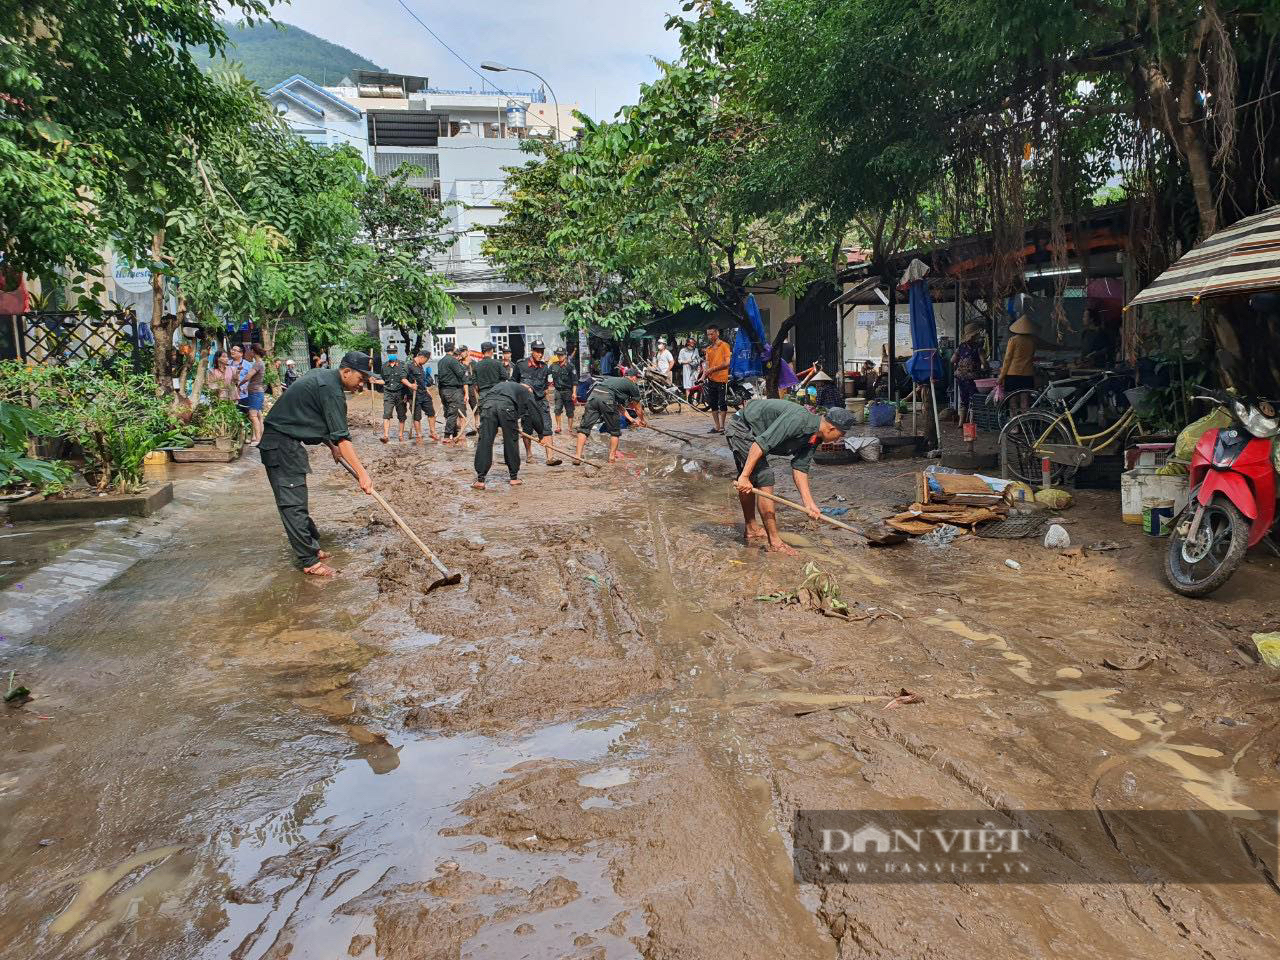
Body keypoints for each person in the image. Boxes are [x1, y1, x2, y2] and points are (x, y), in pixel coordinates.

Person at [259, 351, 374, 577]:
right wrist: (363, 474)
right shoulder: (331, 390)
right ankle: (309, 561)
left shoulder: (322, 376)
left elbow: (310, 412)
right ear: (346, 372)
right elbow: (343, 438)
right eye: (361, 378)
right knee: (292, 504)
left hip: (286, 442)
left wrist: (330, 445)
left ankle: (312, 546)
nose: (362, 384)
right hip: (280, 446)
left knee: (297, 500)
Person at [726, 400, 857, 555]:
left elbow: (800, 468)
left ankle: (751, 528)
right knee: (764, 477)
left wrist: (809, 504)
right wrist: (745, 476)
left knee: (753, 479)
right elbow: (759, 446)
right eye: (841, 435)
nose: (839, 439)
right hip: (742, 428)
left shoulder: (815, 436)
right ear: (831, 428)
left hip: (754, 433)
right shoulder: (799, 420)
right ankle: (774, 542)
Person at [473, 381, 555, 490]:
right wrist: (541, 434)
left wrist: (489, 424)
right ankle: (514, 478)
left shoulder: (502, 385)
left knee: (485, 441)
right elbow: (534, 413)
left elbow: (485, 402)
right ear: (529, 389)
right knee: (510, 441)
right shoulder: (526, 391)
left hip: (487, 407)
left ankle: (480, 480)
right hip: (506, 408)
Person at [575, 372, 647, 464]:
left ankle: (577, 456)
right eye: (637, 378)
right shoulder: (632, 385)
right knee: (615, 432)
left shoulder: (615, 381)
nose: (637, 380)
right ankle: (611, 458)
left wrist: (631, 419)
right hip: (607, 399)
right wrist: (642, 420)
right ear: (633, 378)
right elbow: (638, 408)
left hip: (593, 397)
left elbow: (619, 406)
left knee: (584, 429)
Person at [514, 339, 561, 466]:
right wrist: (522, 386)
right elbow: (513, 383)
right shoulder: (521, 365)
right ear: (532, 351)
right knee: (527, 430)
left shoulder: (545, 367)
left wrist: (545, 395)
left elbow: (546, 386)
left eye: (542, 351)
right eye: (538, 351)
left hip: (541, 403)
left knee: (547, 429)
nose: (540, 354)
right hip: (527, 404)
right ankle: (529, 455)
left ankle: (550, 458)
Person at [998, 313, 1037, 413]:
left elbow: (1007, 360)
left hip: (1013, 375)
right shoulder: (1032, 341)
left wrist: (1001, 376)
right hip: (1027, 375)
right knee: (1025, 402)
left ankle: (1015, 426)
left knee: (1013, 401)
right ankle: (1025, 424)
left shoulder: (1013, 340)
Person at [375, 347, 414, 443]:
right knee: (386, 414)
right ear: (387, 353)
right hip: (388, 393)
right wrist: (375, 381)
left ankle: (400, 436)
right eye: (390, 352)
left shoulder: (403, 365)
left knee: (401, 415)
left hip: (400, 393)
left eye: (393, 352)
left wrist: (407, 394)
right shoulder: (384, 366)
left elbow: (406, 380)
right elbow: (384, 380)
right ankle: (386, 436)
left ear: (396, 352)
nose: (391, 353)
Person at [952, 322, 988, 422]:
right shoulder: (978, 347)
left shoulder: (960, 347)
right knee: (974, 398)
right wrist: (985, 367)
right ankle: (973, 421)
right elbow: (984, 363)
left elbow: (952, 360)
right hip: (972, 377)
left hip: (960, 376)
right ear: (975, 335)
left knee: (963, 398)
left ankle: (961, 422)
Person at [437, 344, 469, 443]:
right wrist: (465, 370)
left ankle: (454, 433)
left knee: (448, 411)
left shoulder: (441, 361)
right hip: (452, 390)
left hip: (443, 390)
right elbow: (460, 374)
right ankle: (447, 435)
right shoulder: (453, 360)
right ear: (453, 349)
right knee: (453, 412)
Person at [703, 325, 732, 433]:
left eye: (712, 334)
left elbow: (727, 363)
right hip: (711, 379)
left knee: (722, 402)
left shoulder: (724, 345)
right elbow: (707, 363)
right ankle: (717, 426)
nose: (710, 336)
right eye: (708, 334)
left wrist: (713, 369)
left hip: (721, 379)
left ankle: (723, 426)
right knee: (713, 403)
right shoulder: (709, 349)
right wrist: (703, 375)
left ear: (717, 333)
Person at [407, 348, 440, 443]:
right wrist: (408, 389)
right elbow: (403, 379)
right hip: (414, 395)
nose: (426, 362)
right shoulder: (409, 366)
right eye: (426, 360)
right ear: (422, 357)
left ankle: (433, 432)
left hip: (424, 393)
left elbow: (422, 380)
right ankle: (419, 434)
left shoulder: (421, 366)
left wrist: (427, 389)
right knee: (417, 416)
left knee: (431, 413)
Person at [243, 343, 267, 445]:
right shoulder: (260, 362)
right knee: (258, 415)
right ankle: (260, 437)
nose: (249, 352)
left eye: (250, 350)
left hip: (255, 392)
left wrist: (239, 383)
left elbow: (248, 376)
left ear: (253, 351)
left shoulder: (257, 364)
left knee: (253, 415)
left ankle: (258, 439)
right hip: (258, 391)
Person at [551, 346, 577, 433]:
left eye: (561, 355)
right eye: (558, 355)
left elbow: (574, 381)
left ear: (565, 355)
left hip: (568, 391)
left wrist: (574, 393)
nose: (560, 356)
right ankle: (558, 427)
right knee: (557, 409)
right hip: (558, 391)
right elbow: (545, 373)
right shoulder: (554, 366)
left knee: (569, 411)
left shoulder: (570, 366)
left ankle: (569, 428)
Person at [229, 344, 251, 414]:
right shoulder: (227, 363)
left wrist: (245, 388)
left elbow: (252, 380)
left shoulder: (248, 365)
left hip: (243, 395)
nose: (232, 351)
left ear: (241, 353)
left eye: (235, 350)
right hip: (230, 396)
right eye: (232, 349)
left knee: (246, 416)